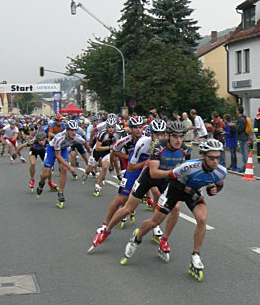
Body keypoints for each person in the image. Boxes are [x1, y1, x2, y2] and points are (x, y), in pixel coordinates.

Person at [121, 139, 227, 282]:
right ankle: (137, 238)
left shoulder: (221, 171)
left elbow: (218, 185)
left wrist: (213, 189)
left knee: (202, 219)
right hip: (174, 191)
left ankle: (196, 255)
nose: (215, 161)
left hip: (193, 193)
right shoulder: (188, 167)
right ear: (203, 156)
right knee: (154, 222)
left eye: (217, 157)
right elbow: (170, 179)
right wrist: (188, 189)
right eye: (211, 157)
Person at [90, 121, 190, 250]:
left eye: (162, 134)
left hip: (161, 174)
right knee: (124, 203)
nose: (159, 138)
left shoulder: (175, 145)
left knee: (169, 203)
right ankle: (106, 228)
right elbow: (131, 167)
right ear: (150, 133)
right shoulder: (144, 143)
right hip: (139, 169)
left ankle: (160, 233)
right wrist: (146, 162)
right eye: (156, 134)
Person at [36, 120, 90, 208]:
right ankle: (41, 183)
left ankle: (60, 192)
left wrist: (91, 156)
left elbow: (85, 145)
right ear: (67, 130)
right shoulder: (59, 137)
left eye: (75, 130)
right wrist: (70, 167)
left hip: (63, 149)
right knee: (46, 173)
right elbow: (58, 156)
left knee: (63, 169)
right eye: (71, 130)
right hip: (52, 150)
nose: (73, 132)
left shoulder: (77, 137)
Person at [234, 106, 249, 172]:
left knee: (243, 152)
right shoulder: (243, 118)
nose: (236, 111)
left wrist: (234, 126)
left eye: (236, 110)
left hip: (242, 137)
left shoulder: (241, 119)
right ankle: (246, 165)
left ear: (238, 111)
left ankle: (244, 166)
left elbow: (240, 129)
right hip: (244, 136)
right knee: (244, 151)